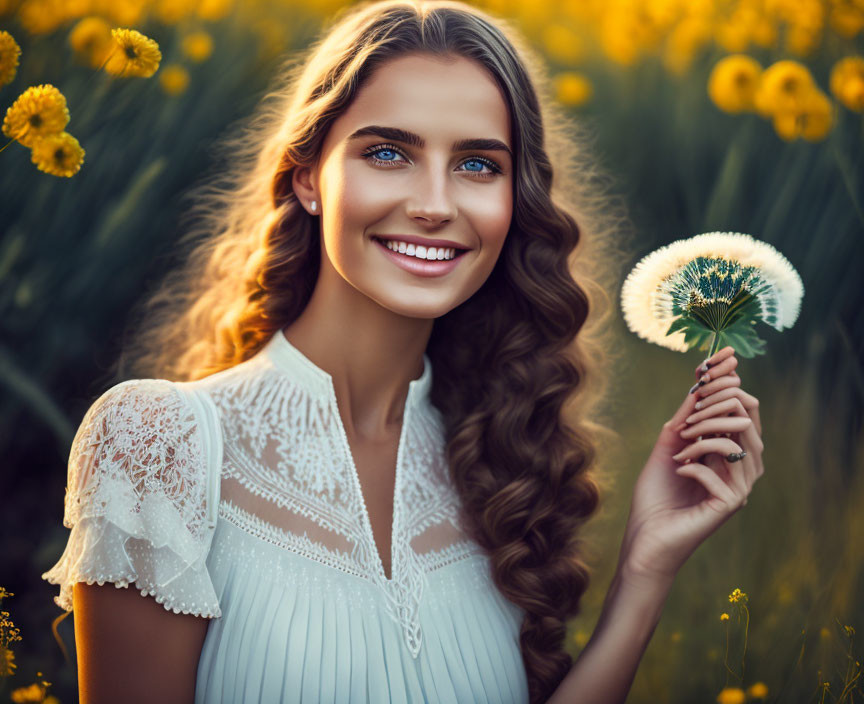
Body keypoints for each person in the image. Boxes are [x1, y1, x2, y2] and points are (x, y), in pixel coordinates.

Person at [41, 1, 766, 702]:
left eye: (478, 165)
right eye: (388, 152)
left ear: (517, 200)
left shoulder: (498, 464)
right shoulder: (157, 441)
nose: (434, 204)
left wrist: (647, 567)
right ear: (308, 178)